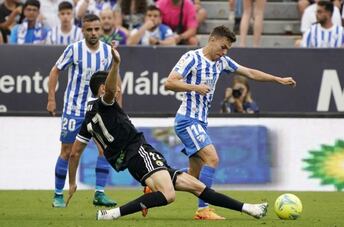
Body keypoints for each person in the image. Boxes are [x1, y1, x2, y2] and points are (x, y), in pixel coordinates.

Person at [66, 46, 269, 221]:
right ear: (103, 88)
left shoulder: (87, 120)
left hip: (136, 160)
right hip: (139, 152)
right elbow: (110, 92)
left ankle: (250, 209)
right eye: (115, 86)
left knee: (197, 186)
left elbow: (75, 153)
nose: (118, 90)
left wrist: (73, 183)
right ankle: (111, 214)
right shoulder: (105, 103)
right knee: (168, 195)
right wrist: (116, 65)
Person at [164, 25, 296, 220]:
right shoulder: (191, 58)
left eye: (228, 49)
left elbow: (249, 72)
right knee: (213, 159)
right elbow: (169, 82)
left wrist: (278, 79)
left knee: (193, 176)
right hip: (187, 120)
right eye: (223, 47)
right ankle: (203, 210)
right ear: (212, 40)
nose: (224, 52)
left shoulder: (221, 62)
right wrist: (195, 87)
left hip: (200, 122)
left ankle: (158, 181)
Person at [47, 14, 117, 208]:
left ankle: (99, 193)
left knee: (105, 149)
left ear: (101, 29)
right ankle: (58, 195)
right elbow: (55, 70)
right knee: (68, 151)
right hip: (73, 108)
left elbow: (113, 79)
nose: (93, 33)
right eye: (89, 29)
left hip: (98, 109)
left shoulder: (107, 51)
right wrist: (51, 98)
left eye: (96, 29)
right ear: (83, 30)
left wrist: (117, 105)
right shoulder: (74, 49)